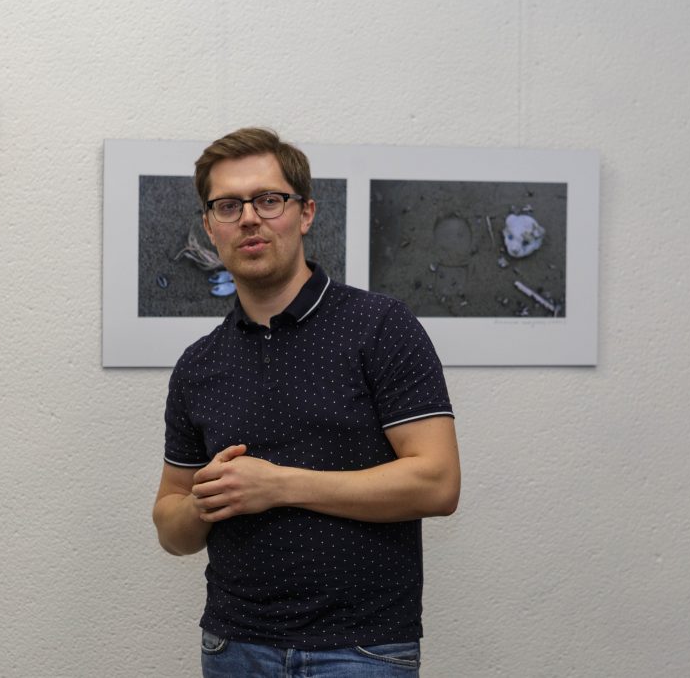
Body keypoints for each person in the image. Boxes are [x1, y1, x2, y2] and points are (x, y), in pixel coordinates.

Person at [152, 127, 461, 678]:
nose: (249, 218)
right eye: (228, 205)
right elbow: (171, 527)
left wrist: (278, 485)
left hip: (362, 649)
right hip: (233, 647)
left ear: (305, 213)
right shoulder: (198, 365)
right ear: (210, 226)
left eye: (269, 200)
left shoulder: (380, 327)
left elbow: (438, 484)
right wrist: (202, 505)